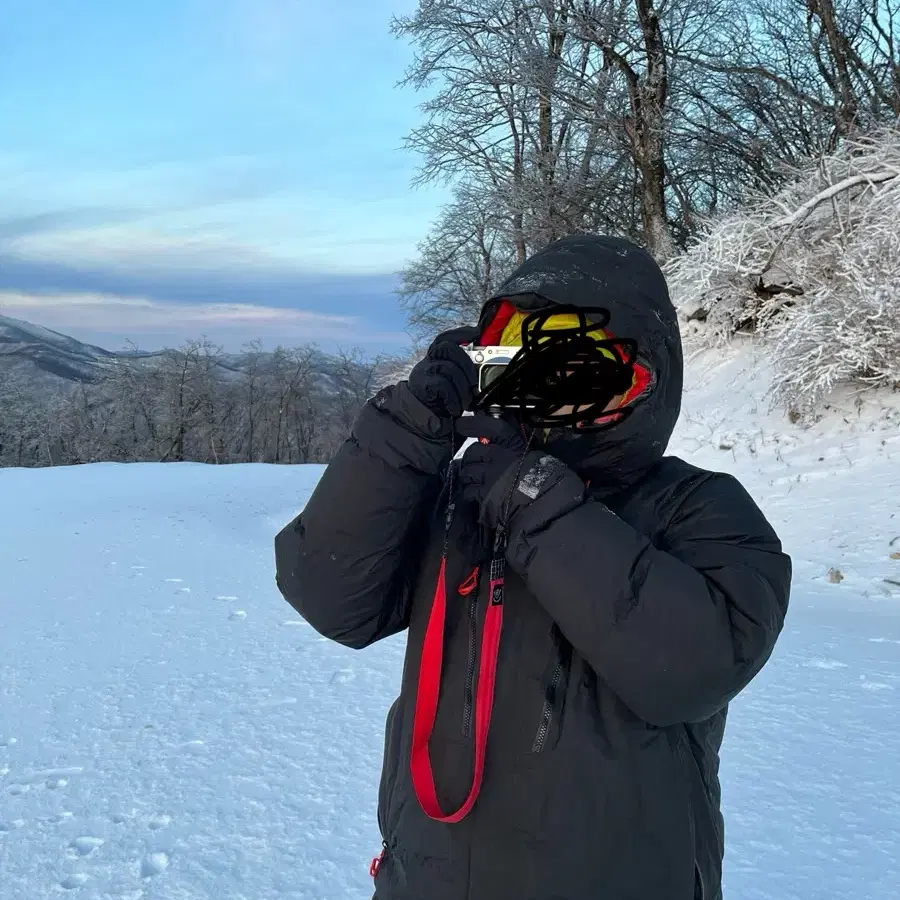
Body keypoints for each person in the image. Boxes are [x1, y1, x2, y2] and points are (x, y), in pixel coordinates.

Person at [275, 234, 791, 900]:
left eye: (583, 370)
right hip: (430, 874)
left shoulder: (698, 507)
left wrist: (536, 502)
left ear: (643, 383)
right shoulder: (465, 496)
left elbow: (696, 667)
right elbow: (329, 592)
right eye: (520, 365)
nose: (549, 394)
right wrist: (408, 429)